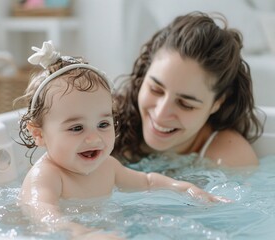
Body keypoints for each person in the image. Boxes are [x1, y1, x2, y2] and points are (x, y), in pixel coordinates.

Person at [15, 41, 229, 239]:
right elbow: (43, 213)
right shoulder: (47, 176)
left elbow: (148, 182)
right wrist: (82, 233)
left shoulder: (107, 167)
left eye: (103, 124)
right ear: (39, 134)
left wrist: (185, 188)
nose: (94, 137)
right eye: (76, 128)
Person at [112, 11, 265, 168]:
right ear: (144, 74)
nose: (160, 114)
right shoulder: (105, 125)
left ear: (217, 103)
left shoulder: (228, 160)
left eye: (185, 104)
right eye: (156, 90)